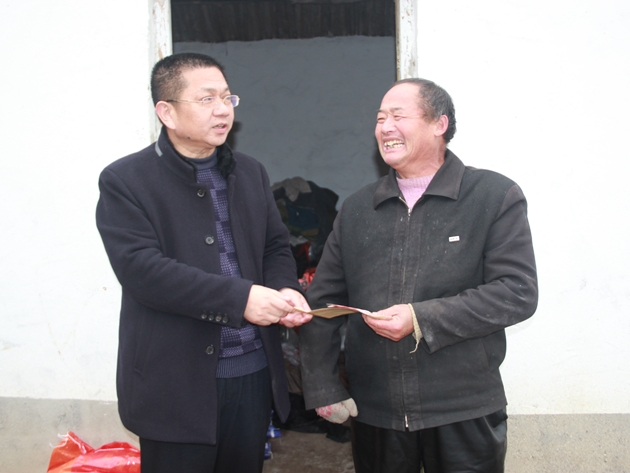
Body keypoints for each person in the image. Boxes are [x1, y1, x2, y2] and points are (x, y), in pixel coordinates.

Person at [299, 78, 538, 473]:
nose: (385, 127)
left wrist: (420, 318)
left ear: (439, 124)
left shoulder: (491, 196)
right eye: (380, 119)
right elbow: (323, 303)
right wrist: (322, 385)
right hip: (377, 412)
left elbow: (516, 293)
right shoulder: (358, 210)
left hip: (464, 407)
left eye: (398, 116)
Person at [96, 52, 311, 473]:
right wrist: (241, 298)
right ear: (167, 112)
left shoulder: (249, 172)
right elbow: (143, 271)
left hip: (251, 373)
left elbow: (275, 246)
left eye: (228, 97)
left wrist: (285, 288)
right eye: (207, 98)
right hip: (174, 382)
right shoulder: (126, 181)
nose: (223, 110)